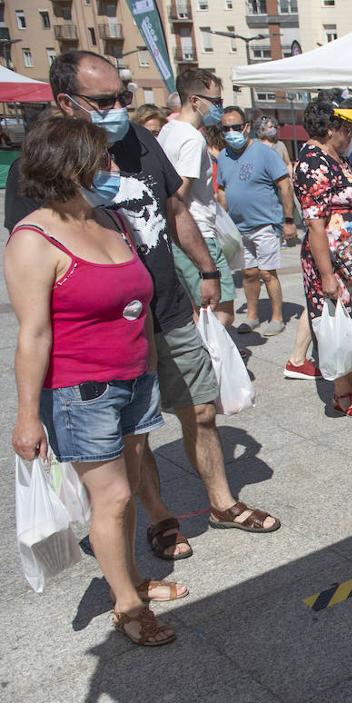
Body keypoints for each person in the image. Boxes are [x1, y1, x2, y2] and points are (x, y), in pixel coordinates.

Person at [5, 51, 279, 561]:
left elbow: (174, 207)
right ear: (66, 102)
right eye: (104, 100)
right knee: (136, 434)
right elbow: (33, 273)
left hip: (168, 306)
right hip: (109, 326)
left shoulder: (138, 138)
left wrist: (207, 268)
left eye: (123, 97)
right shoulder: (35, 168)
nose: (118, 108)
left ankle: (221, 502)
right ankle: (162, 518)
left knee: (200, 408)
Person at [6, 115, 179, 646]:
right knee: (115, 498)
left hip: (133, 379)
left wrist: (148, 362)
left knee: (121, 498)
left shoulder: (108, 218)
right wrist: (27, 416)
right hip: (82, 392)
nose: (112, 166)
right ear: (68, 165)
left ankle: (127, 580)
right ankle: (127, 605)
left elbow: (136, 301)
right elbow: (32, 336)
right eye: (101, 158)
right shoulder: (33, 239)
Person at [293, 90, 352, 418]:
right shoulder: (311, 161)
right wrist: (326, 275)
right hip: (332, 262)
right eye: (347, 128)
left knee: (350, 326)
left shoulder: (336, 157)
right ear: (329, 127)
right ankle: (341, 394)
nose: (351, 135)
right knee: (336, 326)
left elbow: (344, 195)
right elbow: (316, 224)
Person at [158, 68, 234, 329]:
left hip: (178, 237)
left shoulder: (168, 131)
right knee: (221, 311)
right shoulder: (192, 139)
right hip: (198, 233)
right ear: (194, 100)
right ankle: (215, 364)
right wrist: (205, 261)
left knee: (199, 310)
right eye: (215, 101)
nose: (219, 108)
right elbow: (178, 198)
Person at [217, 106, 297, 337]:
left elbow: (284, 185)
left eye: (235, 126)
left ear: (246, 127)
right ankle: (252, 316)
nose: (231, 131)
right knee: (249, 273)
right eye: (226, 128)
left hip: (265, 224)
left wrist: (289, 220)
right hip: (237, 226)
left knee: (267, 272)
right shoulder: (223, 156)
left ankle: (277, 317)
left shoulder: (265, 153)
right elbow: (222, 190)